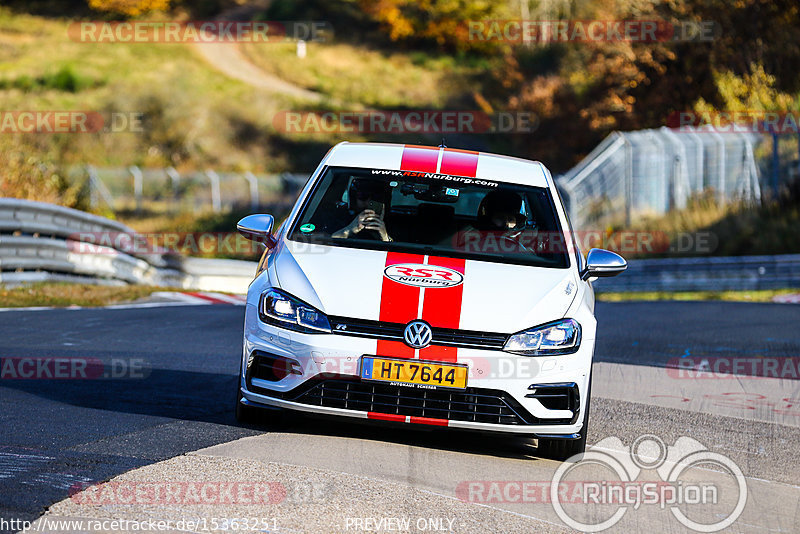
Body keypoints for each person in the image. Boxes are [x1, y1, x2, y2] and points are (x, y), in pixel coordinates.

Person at [331, 177, 393, 242]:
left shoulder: (396, 224)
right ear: (354, 200)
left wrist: (385, 238)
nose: (369, 203)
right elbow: (326, 243)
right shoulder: (339, 219)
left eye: (376, 199)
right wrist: (348, 230)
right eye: (363, 197)